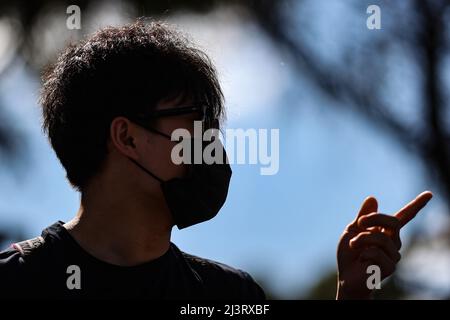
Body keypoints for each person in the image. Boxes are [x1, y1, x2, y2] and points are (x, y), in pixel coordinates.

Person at [0, 20, 433, 299]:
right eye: (194, 125)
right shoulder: (18, 284)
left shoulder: (229, 296)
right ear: (126, 136)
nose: (212, 148)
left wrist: (352, 292)